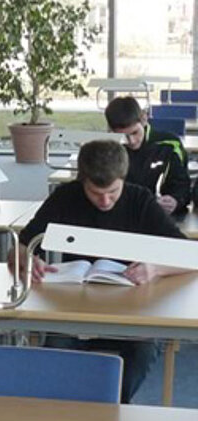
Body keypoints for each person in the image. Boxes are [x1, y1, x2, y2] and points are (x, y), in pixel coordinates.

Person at [10, 139, 190, 403]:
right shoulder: (65, 196)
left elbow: (189, 256)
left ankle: (115, 405)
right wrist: (27, 259)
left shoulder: (139, 199)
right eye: (96, 193)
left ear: (123, 179)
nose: (105, 200)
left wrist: (155, 269)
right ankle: (67, 408)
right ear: (83, 181)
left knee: (143, 350)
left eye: (113, 192)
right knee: (56, 350)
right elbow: (19, 246)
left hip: (132, 312)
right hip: (72, 309)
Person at [104, 96, 190, 215]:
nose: (132, 141)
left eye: (135, 132)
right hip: (118, 214)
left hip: (159, 215)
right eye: (123, 136)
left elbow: (183, 185)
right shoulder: (106, 148)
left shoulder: (169, 144)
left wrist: (176, 200)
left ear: (144, 119)